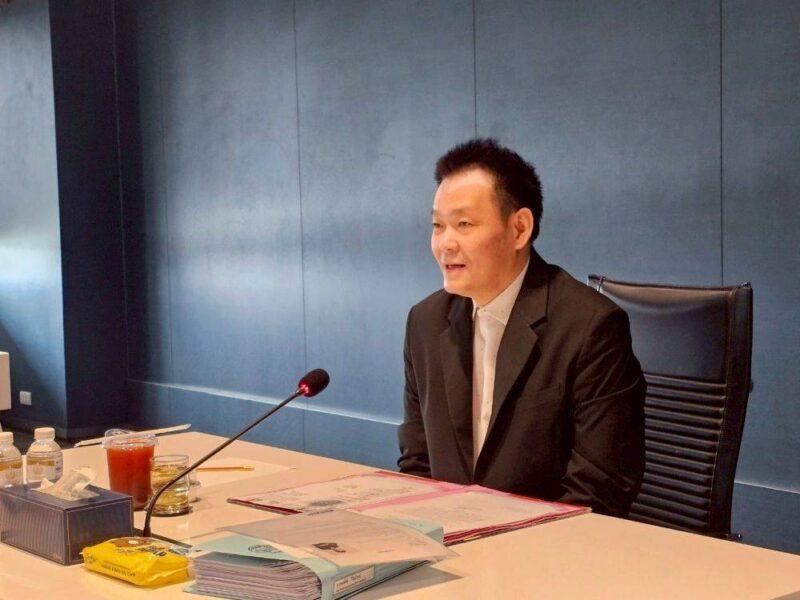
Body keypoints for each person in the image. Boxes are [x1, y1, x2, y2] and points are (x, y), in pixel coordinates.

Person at [397, 138, 645, 517]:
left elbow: (597, 491)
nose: (445, 244)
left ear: (519, 229)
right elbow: (418, 464)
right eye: (438, 225)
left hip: (550, 546)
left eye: (464, 224)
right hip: (451, 541)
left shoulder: (590, 328)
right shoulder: (426, 322)